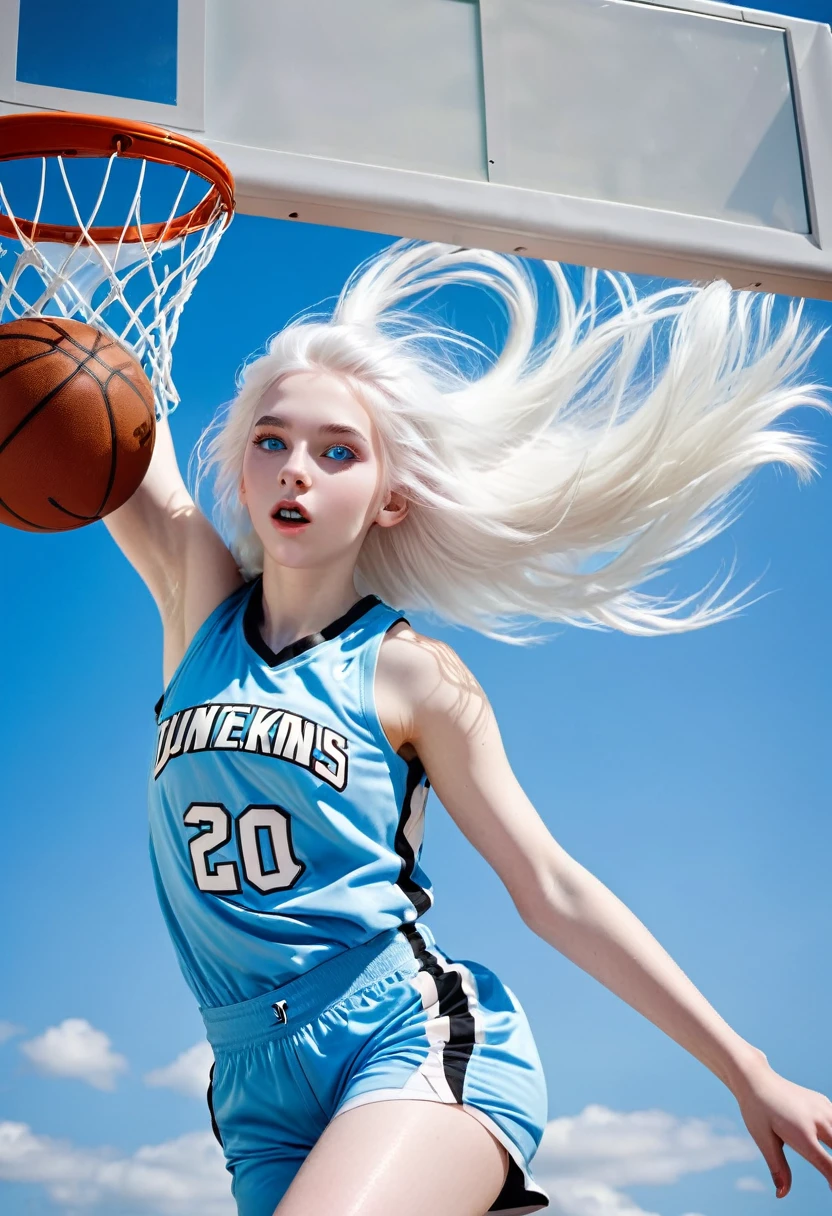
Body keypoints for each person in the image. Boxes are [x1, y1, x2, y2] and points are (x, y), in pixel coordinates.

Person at [104, 241, 832, 1216]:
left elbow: (550, 885)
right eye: (271, 441)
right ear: (240, 467)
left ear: (389, 497)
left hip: (401, 1033)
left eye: (337, 452)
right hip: (254, 1087)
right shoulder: (198, 605)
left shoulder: (412, 671)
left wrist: (745, 1067)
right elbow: (84, 391)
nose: (296, 470)